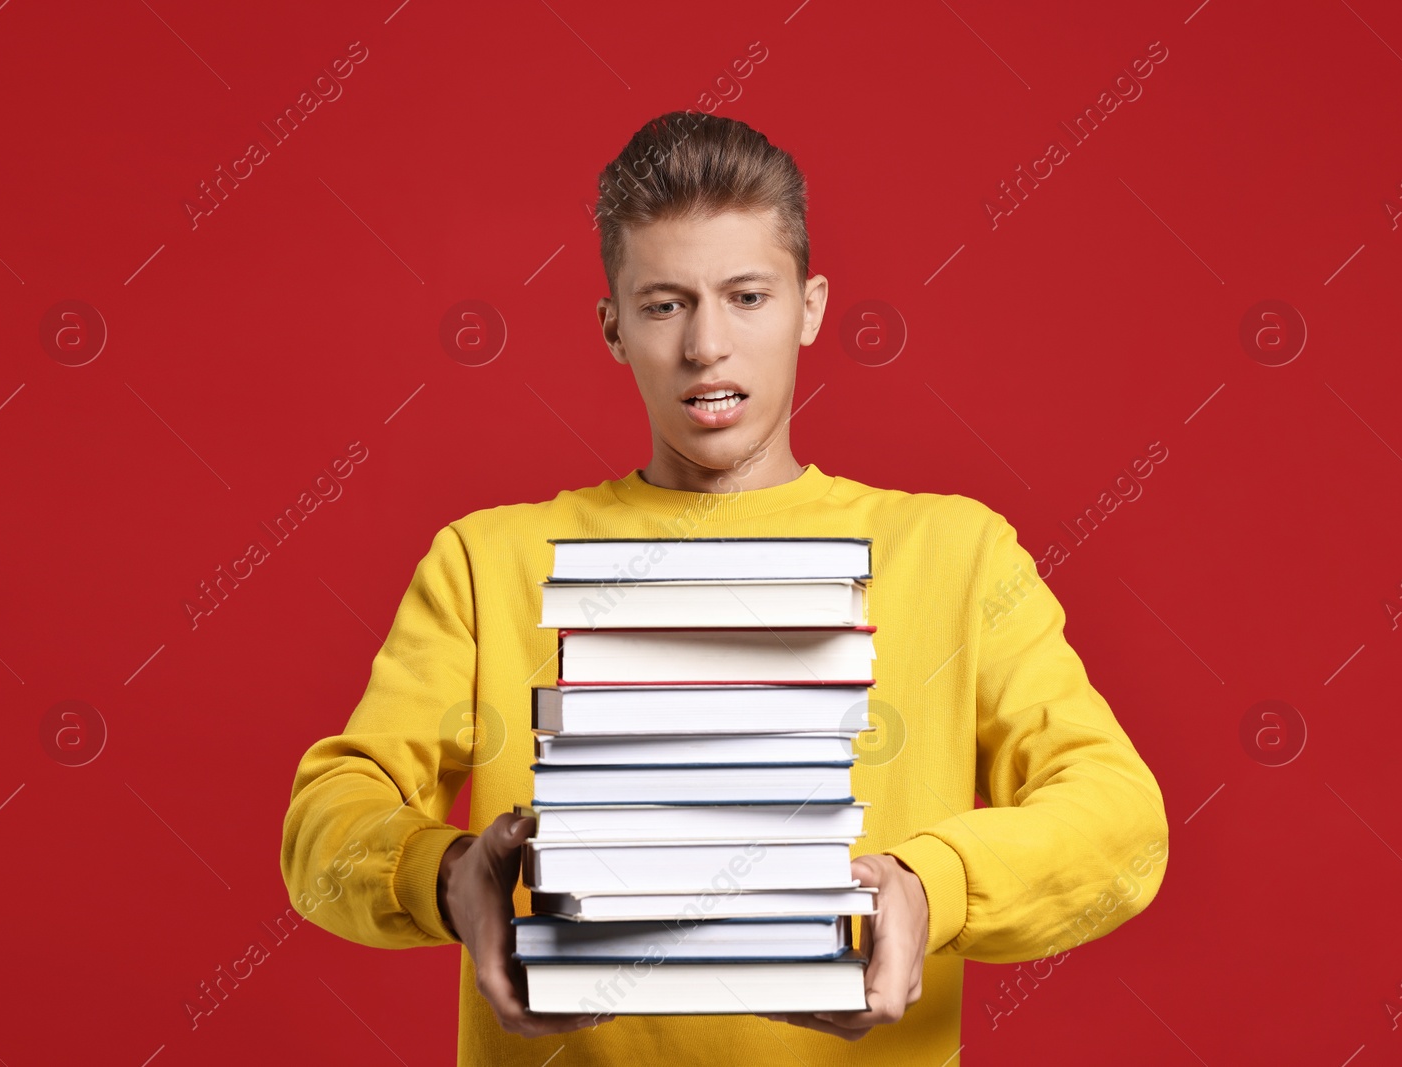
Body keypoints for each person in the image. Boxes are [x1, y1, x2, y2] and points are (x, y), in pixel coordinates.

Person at [280, 111, 1168, 1064]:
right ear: (612, 326)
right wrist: (449, 872)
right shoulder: (486, 562)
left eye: (747, 296)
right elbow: (328, 821)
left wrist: (927, 885)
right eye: (665, 304)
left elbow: (1120, 821)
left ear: (812, 306)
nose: (708, 345)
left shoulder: (956, 553)